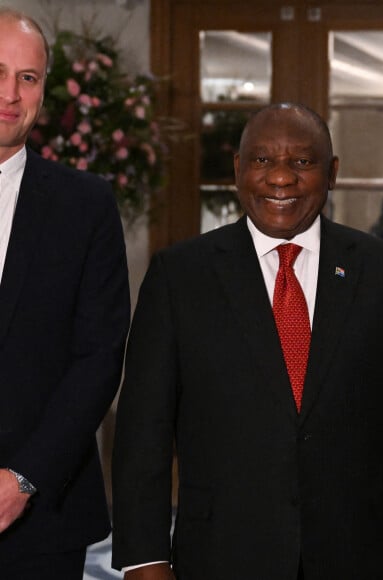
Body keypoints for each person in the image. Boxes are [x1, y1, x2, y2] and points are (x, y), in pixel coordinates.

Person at [112, 102, 383, 580]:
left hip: (358, 557)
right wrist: (145, 563)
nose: (281, 178)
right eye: (263, 160)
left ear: (332, 172)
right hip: (220, 557)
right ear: (238, 169)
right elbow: (142, 437)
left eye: (302, 162)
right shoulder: (179, 278)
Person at [0, 8, 130, 579]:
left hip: (42, 514)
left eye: (27, 77)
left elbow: (99, 358)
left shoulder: (86, 206)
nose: (10, 92)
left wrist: (24, 478)